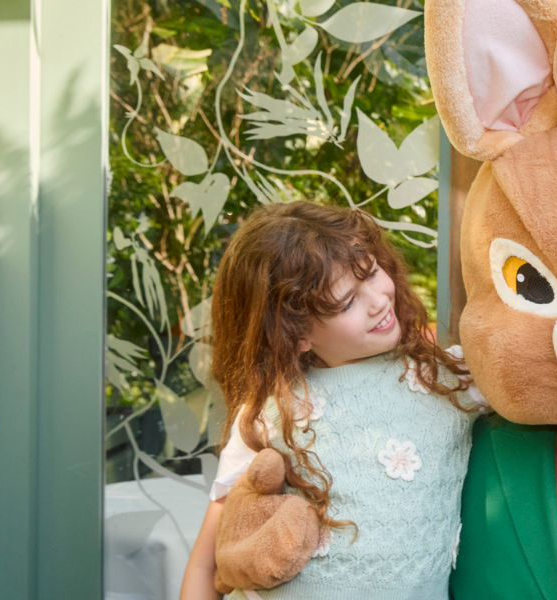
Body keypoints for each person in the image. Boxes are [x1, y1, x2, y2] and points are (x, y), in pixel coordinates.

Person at [178, 201, 485, 600]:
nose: (377, 300)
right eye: (347, 302)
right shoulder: (272, 414)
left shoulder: (449, 379)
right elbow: (208, 561)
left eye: (373, 272)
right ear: (297, 334)